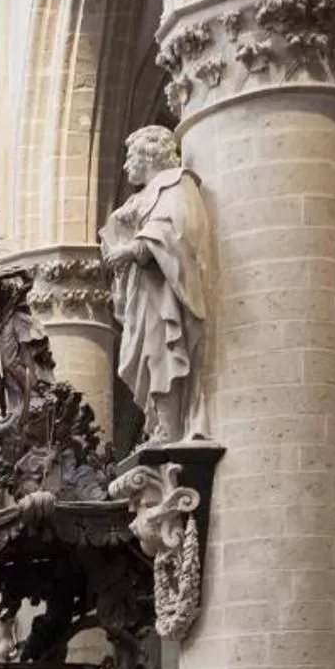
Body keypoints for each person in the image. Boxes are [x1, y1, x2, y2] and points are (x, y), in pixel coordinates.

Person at [101, 126, 213, 445]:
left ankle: (169, 429)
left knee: (161, 353)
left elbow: (176, 229)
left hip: (165, 294)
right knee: (150, 357)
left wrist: (134, 249)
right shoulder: (147, 195)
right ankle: (159, 424)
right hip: (148, 291)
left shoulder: (176, 184)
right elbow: (124, 226)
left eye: (129, 157)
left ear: (148, 154)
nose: (125, 167)